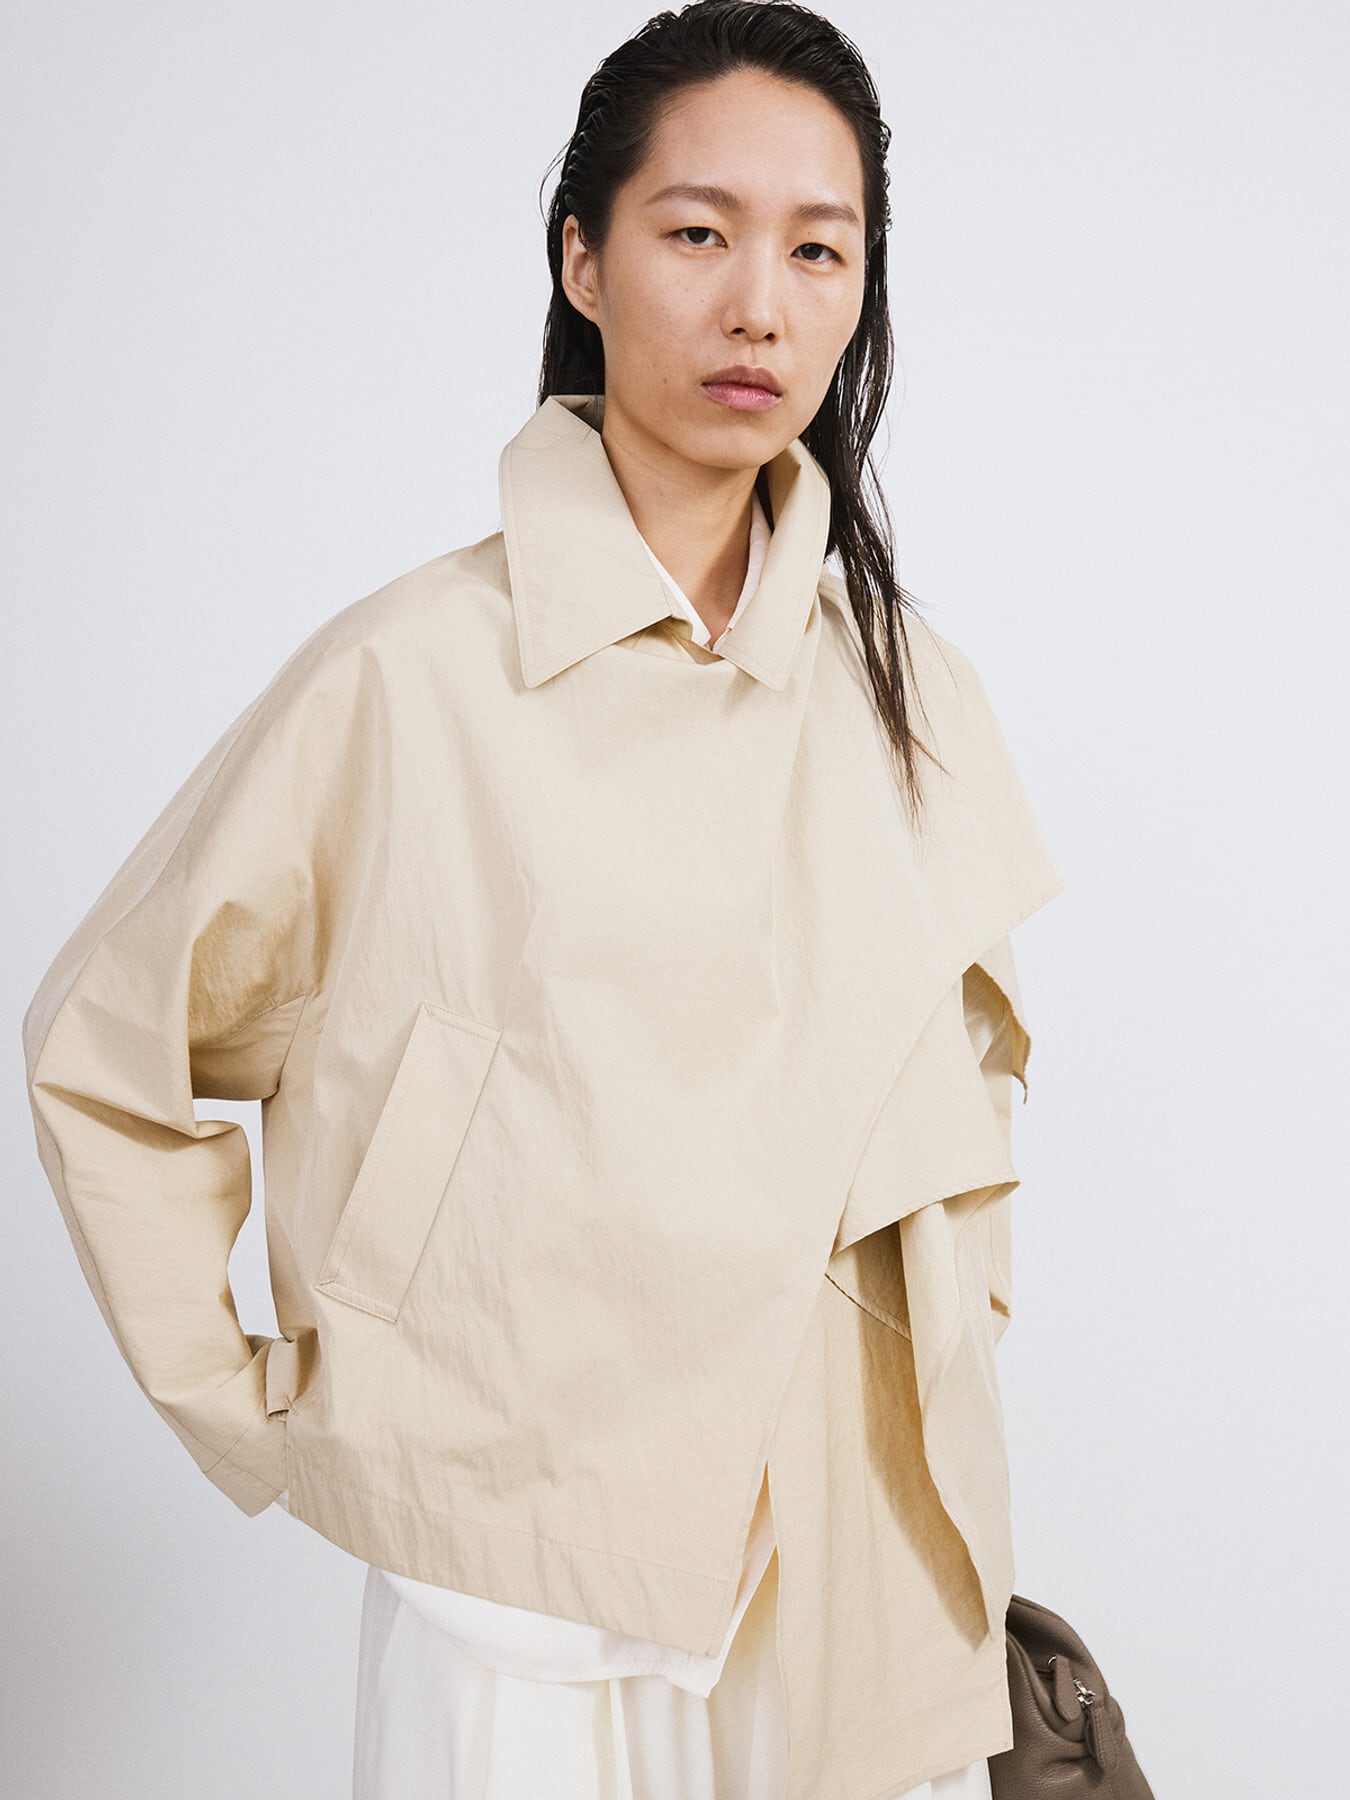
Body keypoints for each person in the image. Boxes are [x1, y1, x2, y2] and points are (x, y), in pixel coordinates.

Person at [21, 4, 1066, 1797]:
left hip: (833, 1564)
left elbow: (965, 1104)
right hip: (511, 1571)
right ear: (582, 259)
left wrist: (935, 1376)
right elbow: (107, 1054)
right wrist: (258, 1408)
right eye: (697, 232)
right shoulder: (407, 672)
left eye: (819, 250)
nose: (759, 306)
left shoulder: (912, 692)